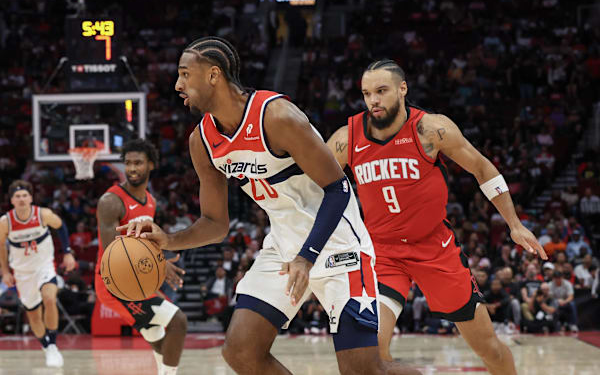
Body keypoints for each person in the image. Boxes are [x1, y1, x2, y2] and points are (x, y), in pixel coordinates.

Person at [125, 37, 417, 375]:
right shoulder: (202, 141)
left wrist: (307, 257)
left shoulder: (276, 116)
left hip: (338, 243)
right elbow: (215, 223)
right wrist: (169, 239)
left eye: (185, 74)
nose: (178, 85)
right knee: (241, 351)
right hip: (284, 247)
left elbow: (338, 188)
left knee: (364, 371)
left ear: (214, 75)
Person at [327, 59, 547, 375]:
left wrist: (514, 224)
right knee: (370, 352)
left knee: (490, 350)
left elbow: (482, 168)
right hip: (383, 254)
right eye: (366, 93)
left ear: (402, 89)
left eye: (381, 91)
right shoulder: (346, 139)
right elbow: (314, 185)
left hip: (434, 249)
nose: (373, 100)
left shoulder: (430, 129)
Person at [95, 139, 188, 375]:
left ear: (151, 165)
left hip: (135, 275)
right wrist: (159, 263)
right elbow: (112, 256)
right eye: (128, 163)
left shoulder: (151, 201)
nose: (132, 168)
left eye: (138, 163)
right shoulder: (110, 202)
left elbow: (143, 244)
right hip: (113, 282)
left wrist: (160, 260)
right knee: (178, 322)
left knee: (157, 336)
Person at [0, 179, 77, 368]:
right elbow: (0, 246)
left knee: (49, 298)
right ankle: (46, 345)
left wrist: (67, 252)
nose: (22, 199)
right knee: (33, 315)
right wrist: (5, 272)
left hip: (44, 266)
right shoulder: (5, 222)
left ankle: (54, 345)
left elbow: (61, 226)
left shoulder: (43, 214)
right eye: (17, 196)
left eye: (25, 195)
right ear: (12, 200)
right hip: (22, 272)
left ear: (31, 198)